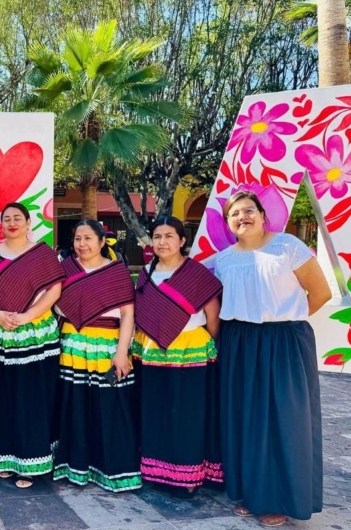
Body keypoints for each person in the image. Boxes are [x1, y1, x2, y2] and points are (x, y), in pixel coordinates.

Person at [215, 191, 331, 527]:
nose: (242, 217)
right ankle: (250, 493)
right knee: (246, 417)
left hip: (283, 340)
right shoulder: (224, 260)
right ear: (228, 223)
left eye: (249, 210)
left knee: (284, 418)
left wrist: (285, 323)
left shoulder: (288, 246)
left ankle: (280, 497)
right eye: (234, 214)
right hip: (239, 340)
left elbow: (320, 293)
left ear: (263, 215)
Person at [0, 203, 64, 489]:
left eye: (17, 218)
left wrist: (27, 316)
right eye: (6, 219)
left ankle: (30, 460)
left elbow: (54, 289)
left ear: (28, 222)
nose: (12, 223)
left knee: (30, 396)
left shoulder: (42, 253)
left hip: (34, 334)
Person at [131, 216, 222, 496]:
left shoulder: (196, 273)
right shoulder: (146, 273)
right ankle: (157, 472)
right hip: (150, 351)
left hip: (190, 350)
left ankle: (187, 474)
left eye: (169, 236)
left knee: (187, 413)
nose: (162, 242)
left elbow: (213, 317)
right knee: (155, 409)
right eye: (157, 236)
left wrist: (203, 344)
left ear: (182, 241)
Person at [53, 219, 140, 492]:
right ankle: (74, 466)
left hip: (107, 346)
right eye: (78, 239)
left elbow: (128, 314)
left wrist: (122, 352)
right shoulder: (64, 269)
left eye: (88, 238)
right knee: (74, 404)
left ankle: (110, 470)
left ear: (102, 241)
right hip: (73, 345)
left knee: (109, 406)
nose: (82, 244)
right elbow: (50, 301)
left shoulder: (117, 272)